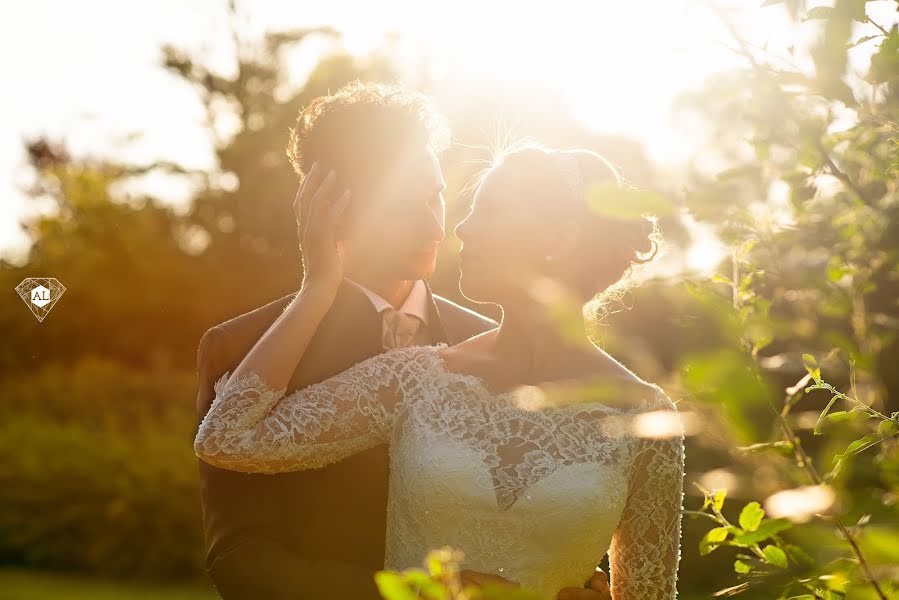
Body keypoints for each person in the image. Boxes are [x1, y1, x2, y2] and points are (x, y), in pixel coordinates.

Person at [195, 137, 685, 599]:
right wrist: (319, 286)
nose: (462, 228)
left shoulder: (646, 420)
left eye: (489, 212)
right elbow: (225, 438)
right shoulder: (416, 378)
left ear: (558, 238)